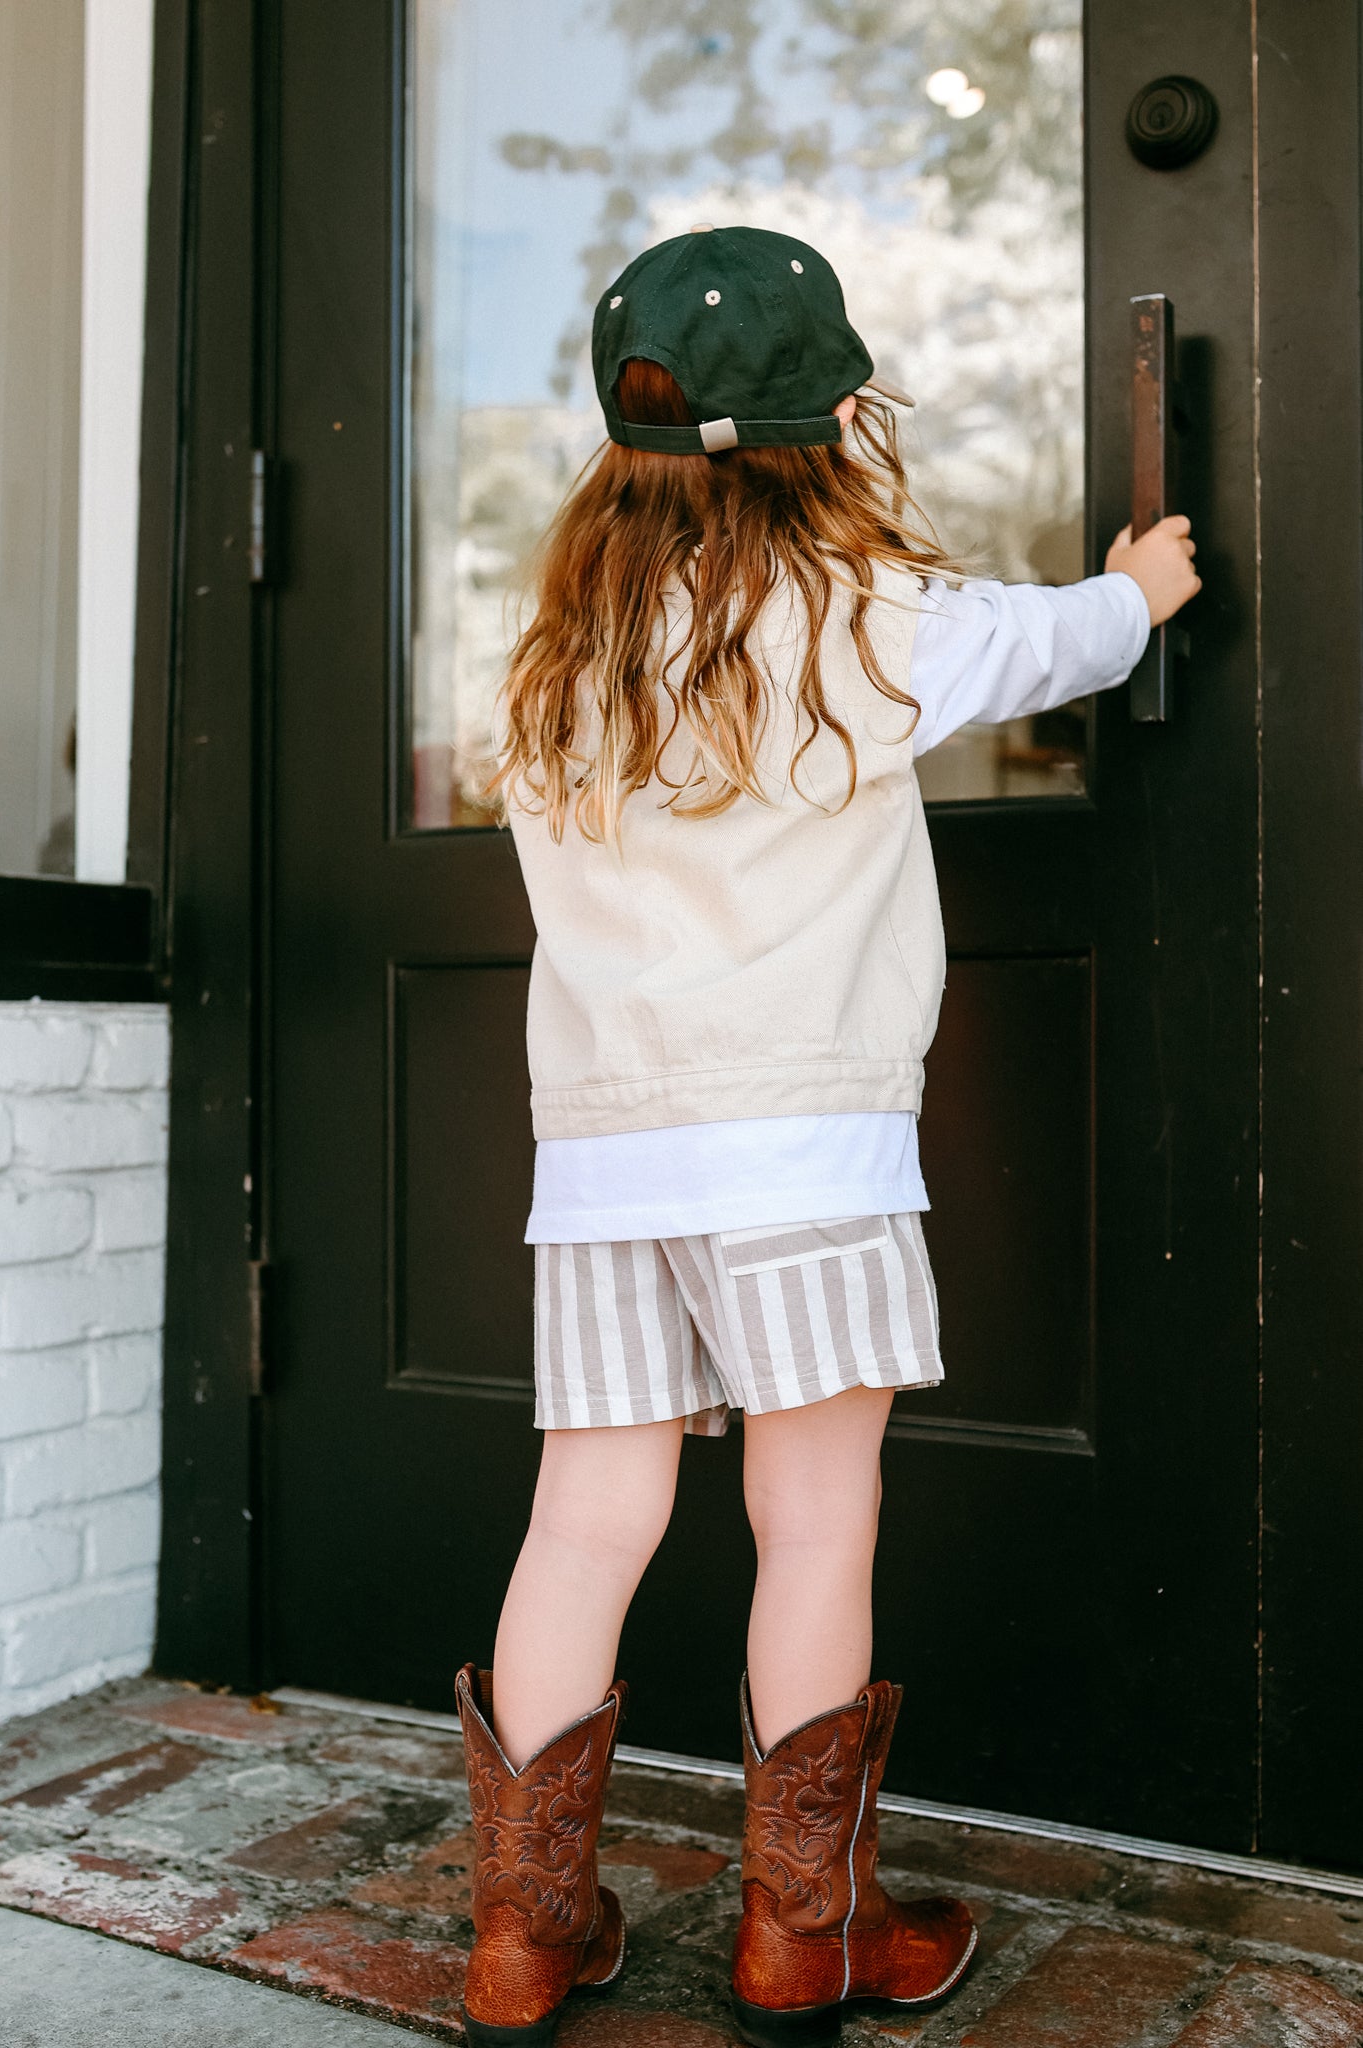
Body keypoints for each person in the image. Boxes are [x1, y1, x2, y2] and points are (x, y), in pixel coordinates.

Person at [454, 225, 1200, 2048]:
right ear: (833, 416)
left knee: (584, 1525)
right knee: (812, 1518)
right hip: (801, 1152)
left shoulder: (556, 656)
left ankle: (522, 1940)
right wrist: (1147, 585)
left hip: (605, 1162)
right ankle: (809, 1933)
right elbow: (1058, 643)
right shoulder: (863, 622)